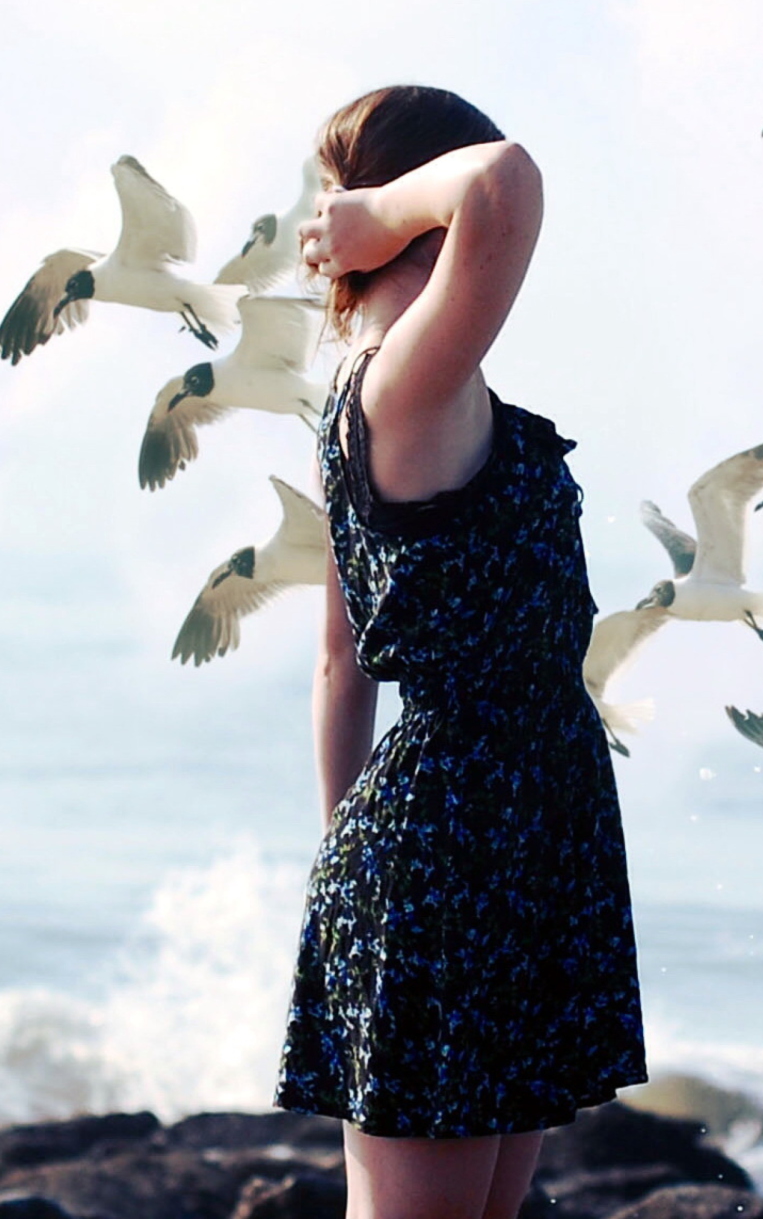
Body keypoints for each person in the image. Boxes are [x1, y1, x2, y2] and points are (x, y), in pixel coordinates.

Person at [274, 85, 647, 1219]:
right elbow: (507, 182)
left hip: (512, 834)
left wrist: (347, 862)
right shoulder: (407, 381)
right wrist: (384, 207)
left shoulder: (422, 388)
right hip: (461, 835)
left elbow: (343, 659)